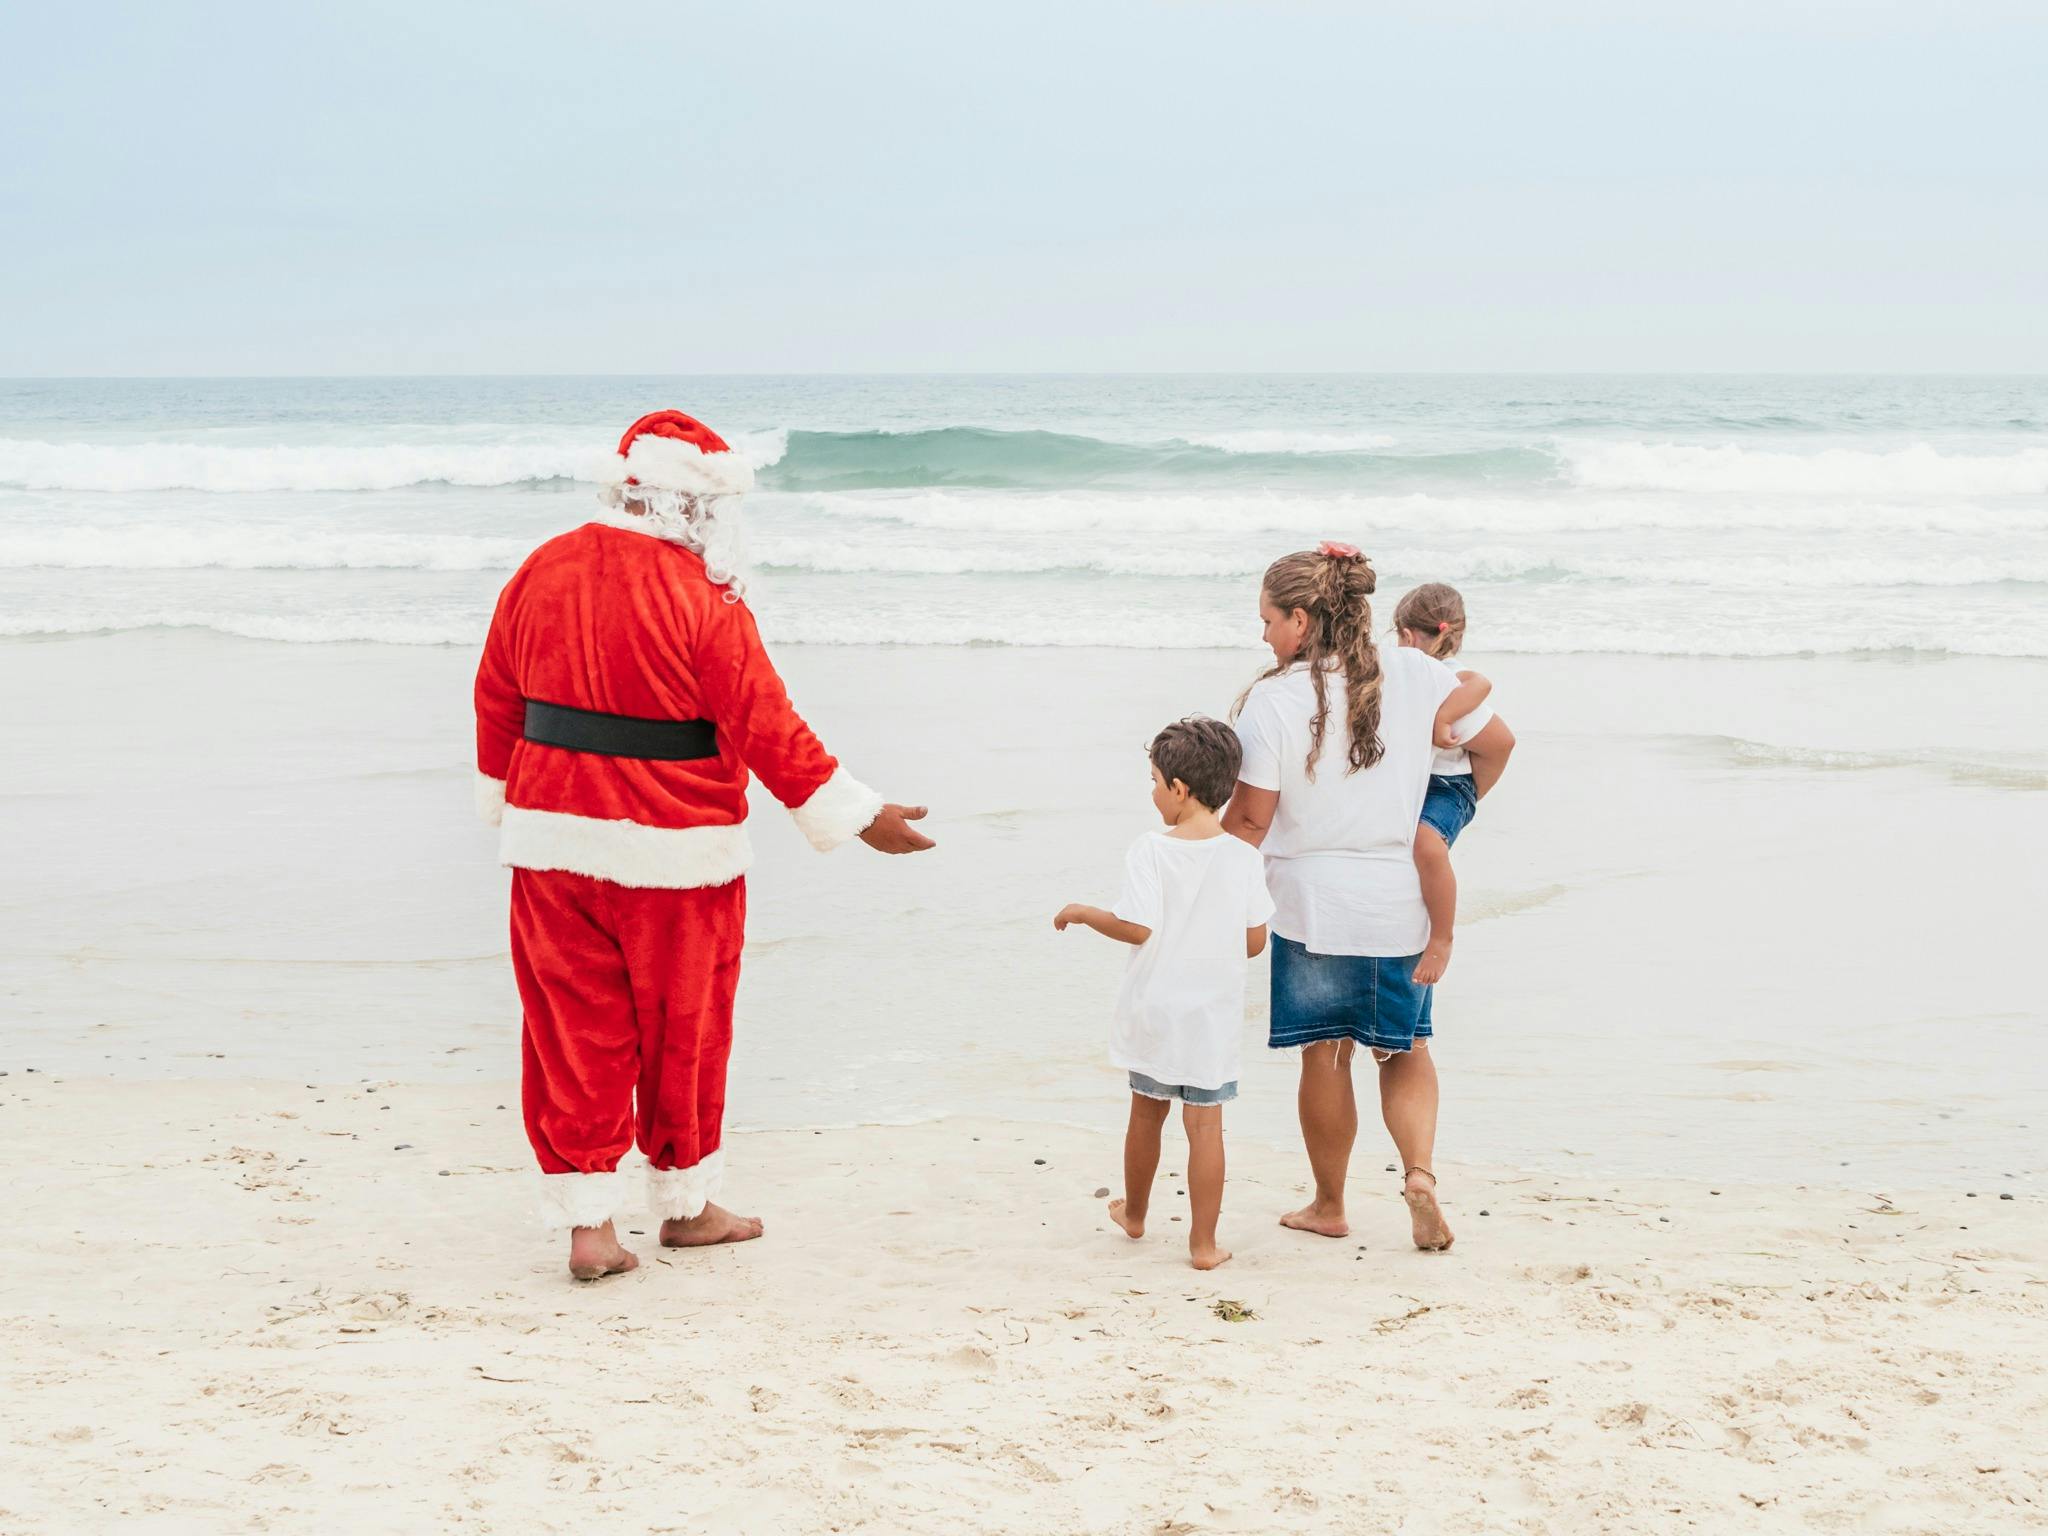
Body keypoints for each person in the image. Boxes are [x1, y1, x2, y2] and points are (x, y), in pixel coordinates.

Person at [473, 409, 935, 1281]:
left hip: (550, 843)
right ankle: (686, 1208)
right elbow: (765, 722)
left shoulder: (540, 568)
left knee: (571, 1031)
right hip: (676, 853)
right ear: (696, 505)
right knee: (683, 1029)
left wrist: (502, 792)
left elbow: (497, 691)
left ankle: (590, 1228)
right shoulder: (704, 595)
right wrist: (857, 814)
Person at [1221, 543, 1504, 1252]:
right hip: (1399, 905)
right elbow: (1496, 743)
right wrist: (1444, 820)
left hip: (1311, 909)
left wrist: (1202, 884)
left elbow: (1250, 821)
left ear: (1300, 618)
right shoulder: (1416, 672)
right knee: (1405, 1049)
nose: (1263, 634)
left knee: (1326, 1055)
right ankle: (1420, 1176)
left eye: (1268, 619)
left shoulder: (1275, 700)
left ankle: (1329, 1205)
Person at [1055, 717, 1273, 1271]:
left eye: (1154, 782)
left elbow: (1136, 928)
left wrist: (1084, 912)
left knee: (1146, 1116)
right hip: (1211, 1020)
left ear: (1179, 788)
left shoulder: (1150, 850)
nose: (1152, 793)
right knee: (1206, 1128)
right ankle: (1203, 1245)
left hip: (1156, 1012)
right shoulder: (1245, 858)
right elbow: (1254, 943)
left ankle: (1134, 1215)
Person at [1392, 582, 1517, 985]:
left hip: (1449, 784)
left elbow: (1481, 685)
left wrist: (1444, 718)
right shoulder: (1410, 676)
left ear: (1406, 636)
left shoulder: (1449, 677)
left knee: (1426, 844)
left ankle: (1441, 938)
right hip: (1418, 779)